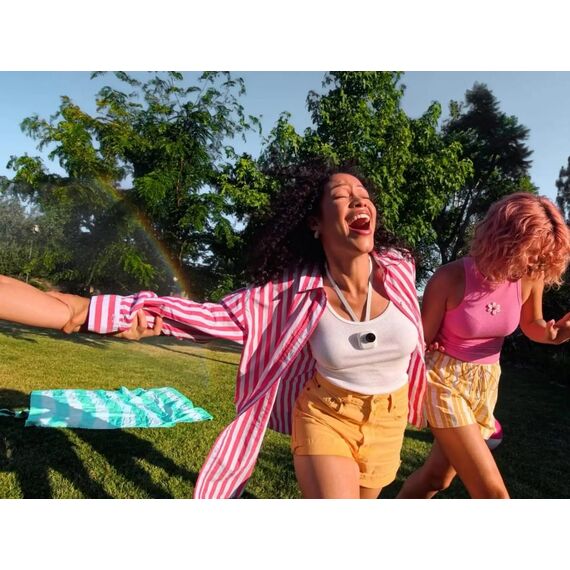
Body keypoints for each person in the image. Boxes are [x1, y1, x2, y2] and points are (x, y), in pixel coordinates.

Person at [0, 161, 427, 499]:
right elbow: (202, 316)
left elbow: (430, 332)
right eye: (341, 195)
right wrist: (88, 312)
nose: (359, 201)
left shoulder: (400, 268)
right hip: (325, 416)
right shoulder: (285, 296)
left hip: (389, 421)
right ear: (315, 223)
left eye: (363, 195)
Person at [397, 192, 570, 499]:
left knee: (437, 478)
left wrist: (554, 335)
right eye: (532, 252)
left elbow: (533, 324)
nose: (536, 262)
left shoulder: (530, 277)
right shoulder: (450, 277)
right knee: (493, 494)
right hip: (443, 380)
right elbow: (420, 340)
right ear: (506, 239)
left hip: (486, 382)